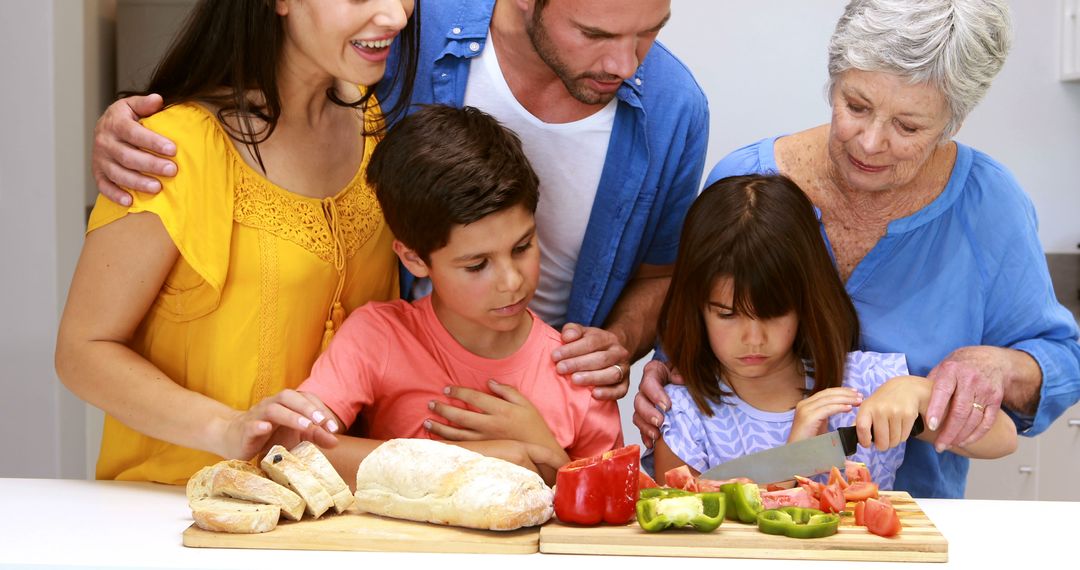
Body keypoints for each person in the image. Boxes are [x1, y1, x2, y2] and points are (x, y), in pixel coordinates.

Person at [88, 0, 709, 402]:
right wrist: (144, 123)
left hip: (538, 404)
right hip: (378, 413)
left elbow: (663, 276)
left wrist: (617, 342)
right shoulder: (407, 34)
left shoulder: (675, 106)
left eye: (650, 32)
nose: (625, 63)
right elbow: (280, 73)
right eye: (593, 33)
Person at [635, 0, 1080, 498]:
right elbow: (687, 348)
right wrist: (665, 380)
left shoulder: (989, 205)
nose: (869, 142)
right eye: (856, 106)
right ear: (833, 83)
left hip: (911, 522)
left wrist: (977, 378)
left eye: (908, 127)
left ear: (952, 123)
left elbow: (1055, 365)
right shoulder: (747, 188)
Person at [54, 0, 421, 483]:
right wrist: (228, 427)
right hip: (169, 518)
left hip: (324, 516)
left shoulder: (368, 119)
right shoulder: (170, 149)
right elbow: (82, 351)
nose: (396, 15)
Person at [255, 105, 624, 485]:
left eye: (522, 246)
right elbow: (291, 453)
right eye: (477, 264)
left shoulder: (580, 373)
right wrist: (474, 459)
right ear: (414, 259)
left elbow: (613, 519)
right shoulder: (377, 337)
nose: (512, 281)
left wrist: (543, 451)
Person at [648, 175, 1017, 489]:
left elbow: (1003, 438)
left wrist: (919, 394)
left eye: (773, 314)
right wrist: (794, 460)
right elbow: (684, 521)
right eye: (727, 314)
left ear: (805, 301)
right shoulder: (685, 413)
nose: (753, 339)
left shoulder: (865, 387)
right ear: (696, 306)